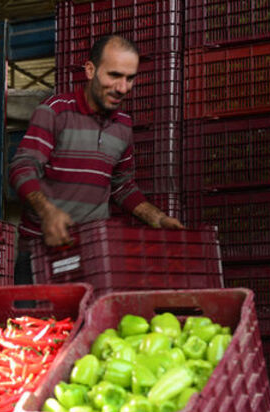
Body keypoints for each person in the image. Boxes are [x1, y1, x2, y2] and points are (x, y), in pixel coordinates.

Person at [9, 34, 183, 250]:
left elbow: (122, 186)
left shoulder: (123, 126)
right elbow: (22, 167)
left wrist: (158, 219)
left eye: (129, 78)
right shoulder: (55, 111)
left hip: (91, 251)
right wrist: (48, 212)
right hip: (41, 247)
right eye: (114, 75)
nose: (122, 88)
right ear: (90, 70)